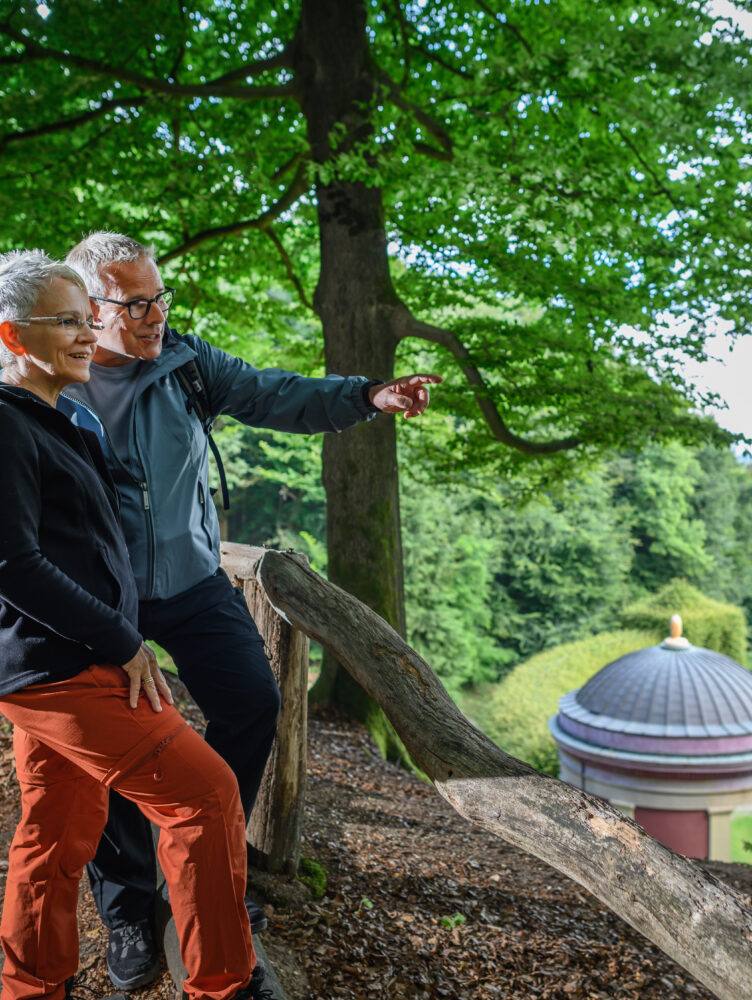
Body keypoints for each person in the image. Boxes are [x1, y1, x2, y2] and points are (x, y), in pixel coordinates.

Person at [61, 231, 440, 990]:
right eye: (135, 304)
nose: (155, 316)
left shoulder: (187, 364)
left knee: (253, 702)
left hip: (193, 580)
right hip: (102, 594)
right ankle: (127, 907)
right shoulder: (50, 378)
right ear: (90, 308)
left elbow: (272, 393)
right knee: (111, 748)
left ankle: (203, 865)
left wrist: (367, 395)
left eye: (159, 298)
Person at [0, 250, 271, 1000]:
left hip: (61, 662)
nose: (89, 334)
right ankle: (225, 985)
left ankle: (29, 988)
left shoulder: (58, 418)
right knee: (204, 795)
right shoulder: (8, 424)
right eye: (68, 321)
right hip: (60, 669)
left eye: (89, 319)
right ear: (13, 335)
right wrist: (124, 642)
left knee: (56, 830)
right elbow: (14, 565)